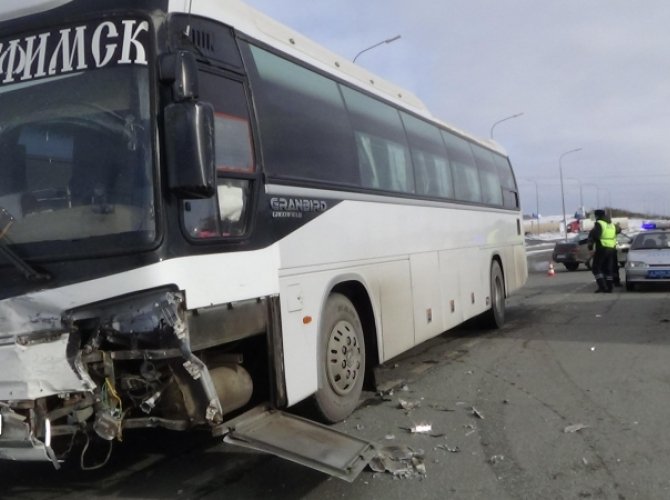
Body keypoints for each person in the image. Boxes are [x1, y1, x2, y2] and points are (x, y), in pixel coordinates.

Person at [587, 209, 617, 293]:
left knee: (596, 268)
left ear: (598, 216)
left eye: (595, 215)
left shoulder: (599, 223)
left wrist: (590, 244)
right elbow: (618, 230)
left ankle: (602, 286)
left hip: (602, 247)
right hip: (612, 248)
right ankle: (609, 287)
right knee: (608, 268)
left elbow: (596, 236)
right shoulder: (611, 224)